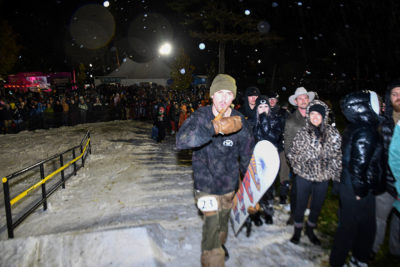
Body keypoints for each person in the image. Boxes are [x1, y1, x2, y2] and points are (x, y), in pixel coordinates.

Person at [176, 74, 254, 266]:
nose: (224, 98)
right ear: (212, 95)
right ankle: (213, 256)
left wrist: (250, 190)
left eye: (228, 94)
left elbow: (247, 156)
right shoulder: (200, 116)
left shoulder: (239, 121)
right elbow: (181, 141)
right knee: (211, 227)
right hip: (205, 186)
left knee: (222, 224)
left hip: (228, 185)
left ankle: (220, 244)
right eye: (219, 92)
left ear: (233, 97)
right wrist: (213, 128)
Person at [330, 91, 384, 267]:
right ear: (367, 106)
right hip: (356, 189)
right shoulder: (366, 131)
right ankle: (338, 262)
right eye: (377, 102)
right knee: (348, 228)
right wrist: (359, 190)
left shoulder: (358, 126)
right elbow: (358, 164)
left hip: (357, 187)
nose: (381, 106)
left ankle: (359, 258)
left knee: (366, 227)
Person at [287, 100, 342, 245]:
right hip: (303, 177)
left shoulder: (333, 134)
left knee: (316, 206)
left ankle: (310, 230)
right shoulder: (302, 133)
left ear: (324, 116)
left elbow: (337, 157)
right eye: (312, 113)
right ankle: (297, 232)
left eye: (319, 114)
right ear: (308, 116)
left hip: (323, 178)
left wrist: (336, 179)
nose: (315, 117)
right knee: (300, 205)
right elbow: (293, 154)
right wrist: (298, 170)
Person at [372, 81, 400, 259]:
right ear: (389, 98)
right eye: (395, 94)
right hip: (385, 184)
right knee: (379, 219)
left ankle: (395, 250)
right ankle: (373, 249)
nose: (399, 98)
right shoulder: (383, 125)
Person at [284, 87, 315, 225]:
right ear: (296, 102)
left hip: (315, 161)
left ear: (308, 99)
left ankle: (310, 216)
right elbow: (288, 143)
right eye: (300, 98)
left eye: (305, 98)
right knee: (296, 191)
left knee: (313, 190)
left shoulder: (316, 116)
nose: (303, 100)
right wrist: (293, 161)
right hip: (299, 162)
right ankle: (294, 214)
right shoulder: (291, 120)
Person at [267, 91, 291, 207]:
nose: (272, 101)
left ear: (277, 100)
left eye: (274, 99)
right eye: (270, 98)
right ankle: (270, 195)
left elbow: (290, 129)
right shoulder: (263, 110)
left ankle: (283, 196)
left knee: (284, 173)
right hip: (269, 148)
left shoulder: (284, 113)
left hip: (281, 147)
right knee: (270, 173)